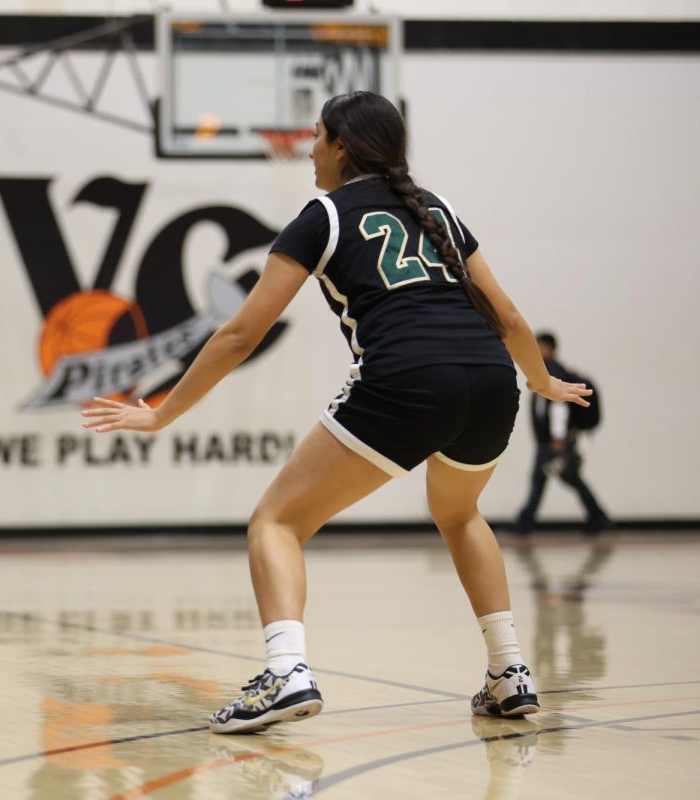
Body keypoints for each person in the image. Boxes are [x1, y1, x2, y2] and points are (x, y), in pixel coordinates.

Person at [82, 91, 593, 734]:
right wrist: (541, 380)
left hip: (406, 378)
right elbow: (510, 317)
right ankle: (510, 672)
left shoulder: (323, 214)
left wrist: (162, 413)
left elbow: (240, 334)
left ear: (342, 145)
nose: (309, 149)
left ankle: (286, 673)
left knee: (275, 522)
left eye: (317, 135)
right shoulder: (439, 209)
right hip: (492, 381)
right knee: (460, 514)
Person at [514, 332, 611, 534]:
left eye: (539, 346)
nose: (536, 350)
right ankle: (598, 518)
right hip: (548, 440)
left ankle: (524, 524)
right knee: (567, 478)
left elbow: (560, 406)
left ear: (550, 348)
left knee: (544, 480)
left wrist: (558, 438)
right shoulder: (545, 370)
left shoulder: (555, 371)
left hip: (554, 441)